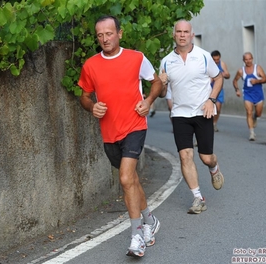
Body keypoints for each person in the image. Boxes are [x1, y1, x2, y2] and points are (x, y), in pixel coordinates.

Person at [78, 15, 165, 258]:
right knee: (132, 180)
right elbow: (84, 96)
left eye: (109, 33)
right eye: (100, 35)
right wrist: (91, 106)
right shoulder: (91, 65)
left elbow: (156, 82)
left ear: (119, 33)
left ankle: (136, 236)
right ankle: (150, 220)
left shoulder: (136, 58)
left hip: (135, 126)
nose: (105, 38)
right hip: (109, 133)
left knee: (126, 178)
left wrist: (147, 101)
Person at [158, 20, 224, 214]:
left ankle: (214, 168)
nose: (182, 35)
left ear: (191, 34)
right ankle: (198, 198)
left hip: (203, 112)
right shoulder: (166, 61)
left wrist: (211, 100)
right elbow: (162, 94)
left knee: (205, 157)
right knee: (185, 155)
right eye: (178, 31)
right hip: (179, 114)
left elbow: (218, 78)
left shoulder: (203, 56)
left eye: (186, 31)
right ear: (174, 35)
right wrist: (161, 84)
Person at [232, 52, 266, 141]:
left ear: (252, 59)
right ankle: (252, 133)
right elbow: (235, 81)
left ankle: (255, 117)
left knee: (258, 113)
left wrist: (257, 81)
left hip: (258, 94)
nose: (248, 61)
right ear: (243, 60)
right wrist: (237, 90)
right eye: (246, 59)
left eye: (249, 59)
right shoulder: (241, 71)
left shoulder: (257, 68)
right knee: (249, 112)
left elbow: (265, 79)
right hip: (247, 94)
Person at [210, 50, 230, 132]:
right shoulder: (208, 65)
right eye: (214, 60)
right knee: (209, 108)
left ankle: (214, 123)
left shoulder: (222, 64)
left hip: (219, 90)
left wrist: (225, 74)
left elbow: (228, 75)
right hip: (209, 90)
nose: (216, 61)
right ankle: (209, 124)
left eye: (217, 59)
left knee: (218, 109)